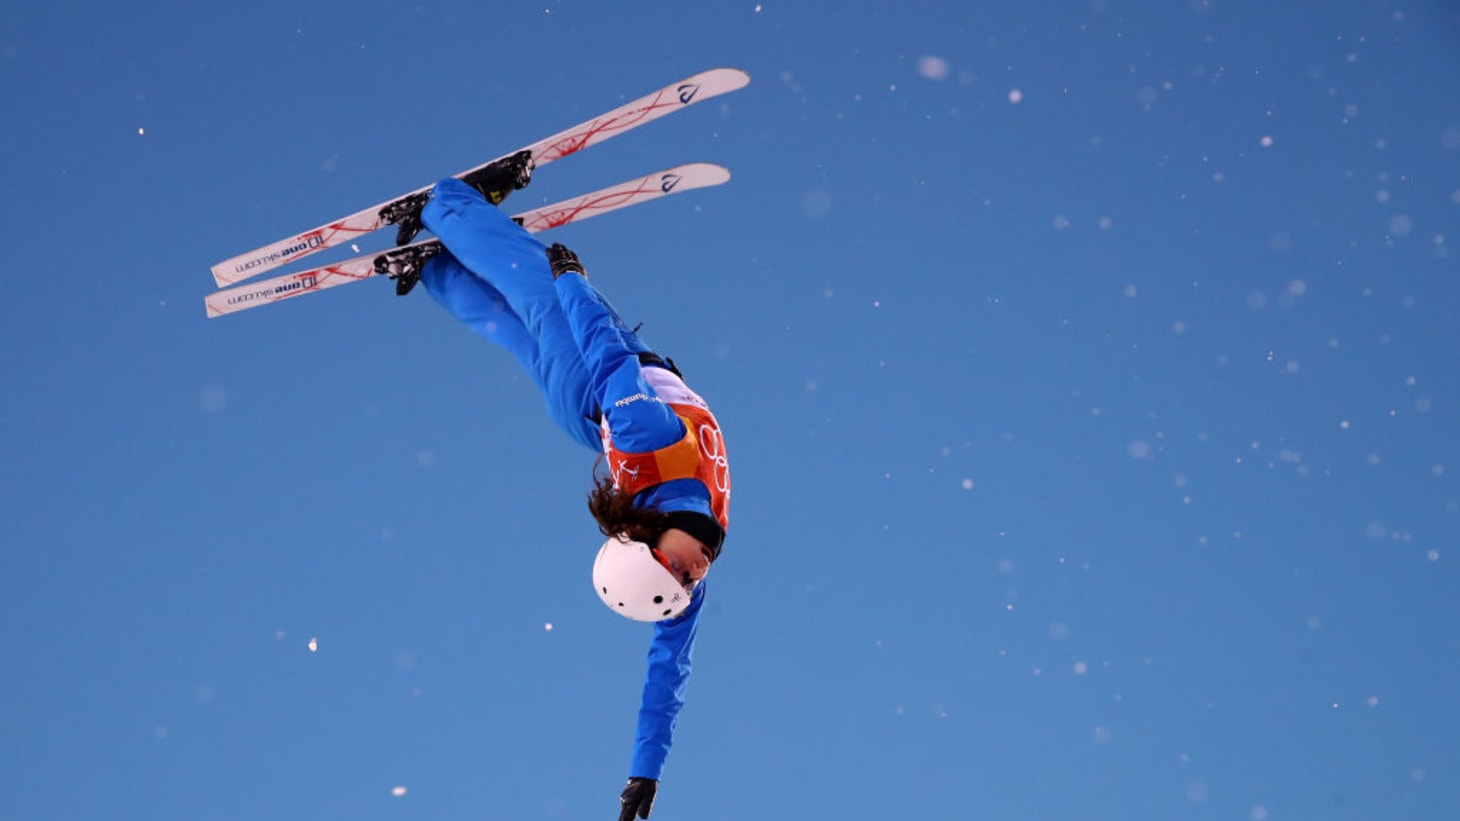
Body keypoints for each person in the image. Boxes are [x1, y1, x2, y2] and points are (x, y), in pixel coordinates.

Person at [413, 177, 731, 821]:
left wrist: (573, 281)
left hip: (591, 377)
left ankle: (447, 205)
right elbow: (668, 673)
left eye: (675, 569)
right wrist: (646, 771)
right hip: (585, 418)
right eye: (686, 578)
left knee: (529, 282)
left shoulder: (649, 440)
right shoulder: (685, 571)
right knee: (511, 327)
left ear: (648, 538)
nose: (692, 573)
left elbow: (610, 359)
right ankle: (433, 270)